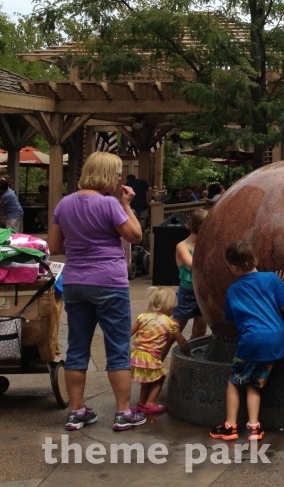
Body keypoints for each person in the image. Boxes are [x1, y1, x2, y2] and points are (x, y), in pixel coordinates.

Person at [50, 152, 146, 432]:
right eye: (117, 174)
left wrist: (82, 245)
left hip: (75, 281)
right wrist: (126, 206)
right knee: (117, 347)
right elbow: (136, 236)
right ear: (105, 174)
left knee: (77, 347)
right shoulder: (109, 205)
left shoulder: (64, 203)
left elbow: (55, 246)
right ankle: (123, 413)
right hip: (108, 282)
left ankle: (76, 411)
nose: (119, 179)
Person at [210, 240, 284, 442]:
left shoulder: (234, 290)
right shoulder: (272, 278)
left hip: (252, 340)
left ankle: (230, 426)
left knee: (235, 381)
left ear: (234, 267)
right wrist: (280, 284)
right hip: (276, 340)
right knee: (254, 383)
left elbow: (230, 316)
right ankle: (254, 427)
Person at [129, 286, 190, 414]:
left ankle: (142, 402)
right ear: (167, 306)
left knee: (147, 379)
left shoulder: (142, 317)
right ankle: (150, 403)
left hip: (137, 356)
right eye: (173, 307)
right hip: (151, 357)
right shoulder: (169, 323)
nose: (174, 309)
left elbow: (128, 333)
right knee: (160, 377)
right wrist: (188, 353)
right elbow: (182, 341)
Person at [173, 209, 209, 339]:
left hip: (201, 292)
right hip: (187, 294)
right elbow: (193, 266)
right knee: (174, 332)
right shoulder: (182, 246)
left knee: (200, 330)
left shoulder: (205, 245)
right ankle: (158, 357)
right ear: (200, 226)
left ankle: (189, 355)